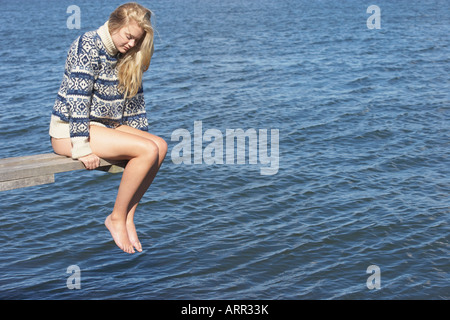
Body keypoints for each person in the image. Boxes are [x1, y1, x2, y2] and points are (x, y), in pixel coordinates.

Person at [49, 2, 167, 254]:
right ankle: (115, 217)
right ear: (115, 25)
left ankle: (127, 218)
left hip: (105, 127)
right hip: (69, 131)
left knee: (159, 146)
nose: (132, 44)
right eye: (129, 37)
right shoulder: (87, 44)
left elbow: (135, 106)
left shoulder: (128, 55)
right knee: (146, 150)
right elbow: (78, 99)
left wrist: (140, 136)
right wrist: (80, 147)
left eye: (138, 40)